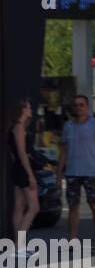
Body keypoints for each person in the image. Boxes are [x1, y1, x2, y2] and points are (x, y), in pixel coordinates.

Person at [58, 94, 95, 242]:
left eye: (82, 105)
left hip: (91, 172)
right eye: (76, 105)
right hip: (72, 172)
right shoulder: (68, 126)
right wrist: (59, 174)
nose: (79, 108)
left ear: (87, 107)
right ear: (73, 108)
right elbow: (63, 151)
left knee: (94, 205)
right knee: (73, 207)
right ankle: (72, 240)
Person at [8, 98, 39, 255]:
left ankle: (19, 247)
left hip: (17, 169)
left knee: (19, 207)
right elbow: (21, 153)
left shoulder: (15, 127)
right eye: (29, 107)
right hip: (22, 169)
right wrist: (30, 175)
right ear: (23, 110)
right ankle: (18, 245)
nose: (31, 110)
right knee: (34, 207)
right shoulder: (19, 127)